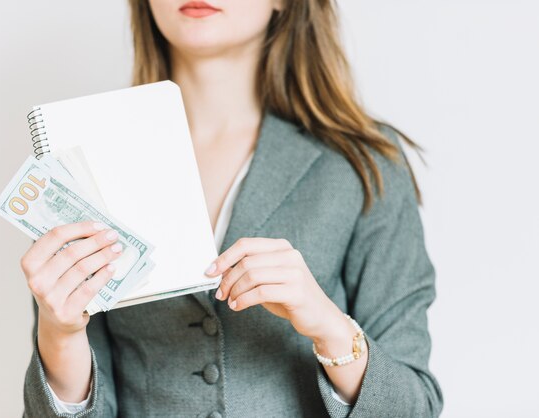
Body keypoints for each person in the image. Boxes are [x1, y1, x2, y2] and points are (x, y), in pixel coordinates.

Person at [22, 1, 443, 417]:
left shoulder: (362, 166)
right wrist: (59, 335)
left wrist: (328, 326)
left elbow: (415, 408)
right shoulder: (85, 162)